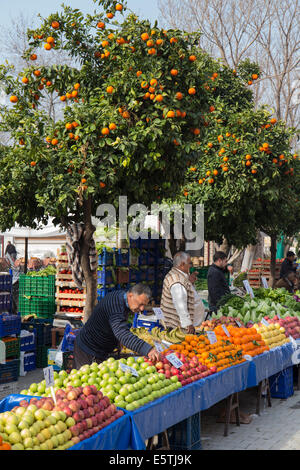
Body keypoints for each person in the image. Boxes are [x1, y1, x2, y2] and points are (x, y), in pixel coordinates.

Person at [73, 284, 160, 369]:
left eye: (144, 305)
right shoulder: (116, 305)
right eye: (140, 304)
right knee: (85, 380)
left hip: (100, 349)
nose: (142, 309)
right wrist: (147, 349)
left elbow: (114, 325)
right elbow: (122, 334)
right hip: (88, 349)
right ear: (130, 295)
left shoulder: (122, 298)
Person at [160, 251, 197, 334]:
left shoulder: (176, 275)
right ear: (182, 265)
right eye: (189, 263)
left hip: (175, 326)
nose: (190, 266)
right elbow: (180, 304)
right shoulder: (176, 280)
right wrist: (188, 324)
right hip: (176, 327)